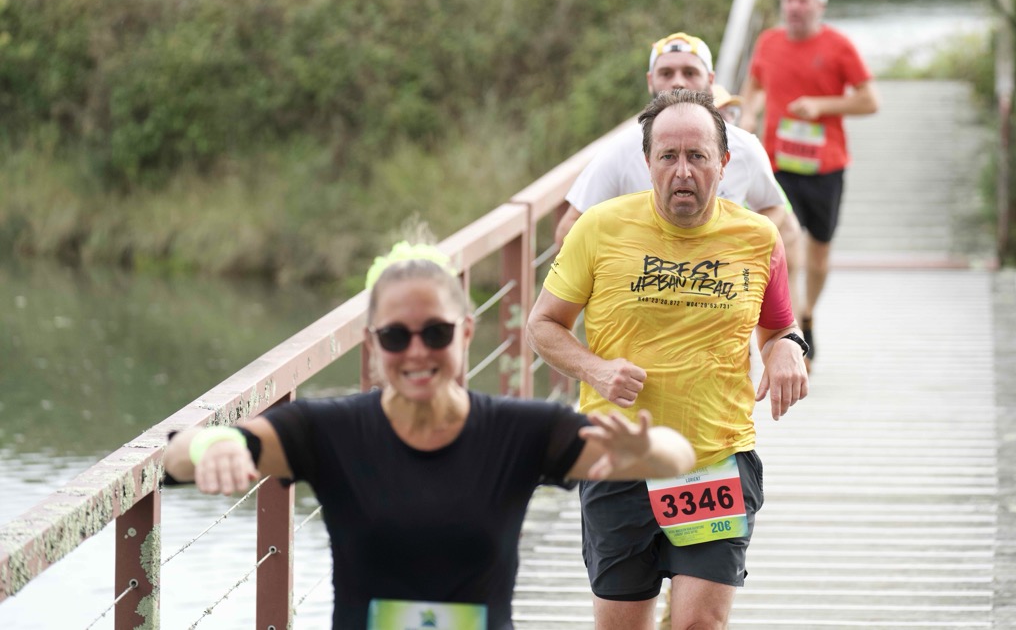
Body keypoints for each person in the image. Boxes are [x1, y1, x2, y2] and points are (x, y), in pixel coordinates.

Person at [163, 241, 696, 630]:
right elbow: (176, 457)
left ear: (466, 331)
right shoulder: (331, 431)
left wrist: (647, 449)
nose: (417, 351)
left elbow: (678, 455)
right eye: (396, 336)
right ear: (372, 344)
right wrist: (216, 444)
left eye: (436, 333)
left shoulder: (518, 430)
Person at [527, 89, 810, 630]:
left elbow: (779, 327)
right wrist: (596, 369)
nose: (683, 171)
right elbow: (543, 325)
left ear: (724, 164)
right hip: (620, 461)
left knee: (700, 625)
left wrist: (788, 350)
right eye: (668, 156)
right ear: (647, 162)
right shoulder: (599, 227)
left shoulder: (758, 238)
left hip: (716, 460)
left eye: (697, 156)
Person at [553, 33, 799, 268]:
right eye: (666, 73)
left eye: (690, 72)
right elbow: (569, 228)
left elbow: (774, 207)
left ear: (710, 80)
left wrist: (738, 253)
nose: (678, 82)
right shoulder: (622, 150)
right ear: (650, 81)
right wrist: (616, 273)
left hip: (719, 289)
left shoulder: (744, 147)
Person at [739, 0, 880, 363]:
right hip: (777, 164)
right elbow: (754, 85)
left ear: (820, 6)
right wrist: (748, 113)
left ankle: (808, 312)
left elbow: (870, 100)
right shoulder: (768, 42)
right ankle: (790, 324)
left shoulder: (838, 46)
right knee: (784, 241)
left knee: (819, 253)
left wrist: (822, 106)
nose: (795, 8)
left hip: (825, 166)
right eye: (789, 1)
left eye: (803, 1)